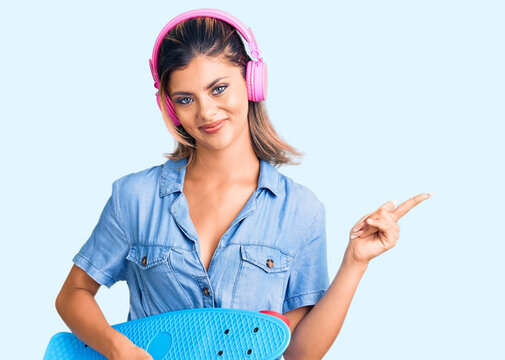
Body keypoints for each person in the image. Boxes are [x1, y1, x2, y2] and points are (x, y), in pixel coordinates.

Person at [53, 9, 430, 360]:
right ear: (171, 108)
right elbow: (73, 294)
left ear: (252, 81)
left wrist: (355, 262)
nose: (205, 112)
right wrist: (118, 347)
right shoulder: (134, 198)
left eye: (218, 88)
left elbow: (300, 353)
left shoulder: (300, 210)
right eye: (186, 99)